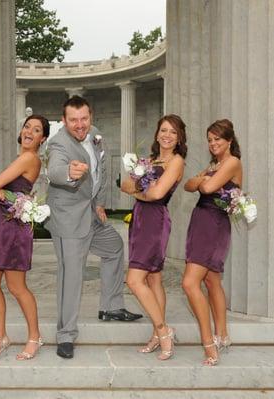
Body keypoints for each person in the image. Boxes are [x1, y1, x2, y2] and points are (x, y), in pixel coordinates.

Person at [45, 95, 142, 359]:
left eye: (84, 119)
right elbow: (54, 169)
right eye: (73, 120)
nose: (80, 125)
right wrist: (68, 173)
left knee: (114, 247)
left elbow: (100, 172)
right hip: (68, 219)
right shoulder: (58, 144)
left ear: (91, 117)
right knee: (71, 275)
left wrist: (98, 202)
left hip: (90, 213)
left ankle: (111, 306)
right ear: (64, 120)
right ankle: (65, 335)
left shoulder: (96, 135)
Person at [0, 114, 50, 362]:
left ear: (42, 138)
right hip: (0, 225)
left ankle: (35, 336)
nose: (30, 131)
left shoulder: (29, 158)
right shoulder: (20, 158)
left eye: (37, 129)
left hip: (13, 227)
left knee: (16, 286)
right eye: (27, 126)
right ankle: (0, 337)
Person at [121, 114, 187, 361]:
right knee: (153, 279)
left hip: (155, 221)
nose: (167, 136)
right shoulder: (149, 160)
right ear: (157, 133)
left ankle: (163, 330)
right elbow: (124, 185)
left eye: (173, 132)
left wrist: (139, 190)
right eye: (163, 130)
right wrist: (141, 191)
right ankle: (156, 334)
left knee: (134, 280)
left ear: (179, 138)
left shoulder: (177, 162)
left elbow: (158, 193)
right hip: (139, 219)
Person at [182, 119, 242, 366]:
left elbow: (205, 187)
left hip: (214, 224)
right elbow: (188, 185)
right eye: (210, 139)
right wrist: (200, 179)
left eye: (217, 138)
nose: (213, 143)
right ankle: (223, 334)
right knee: (211, 279)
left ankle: (209, 343)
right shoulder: (215, 164)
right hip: (202, 221)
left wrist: (201, 179)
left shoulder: (232, 162)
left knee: (189, 282)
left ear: (229, 140)